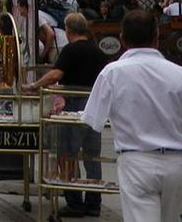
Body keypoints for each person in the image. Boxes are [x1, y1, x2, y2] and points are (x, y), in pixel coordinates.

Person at [81, 9, 182, 222]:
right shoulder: (181, 74)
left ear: (122, 39)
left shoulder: (112, 73)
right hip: (175, 160)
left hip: (136, 160)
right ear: (156, 37)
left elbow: (93, 120)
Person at [23, 12, 108, 218]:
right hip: (93, 106)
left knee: (68, 154)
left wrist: (34, 85)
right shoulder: (97, 51)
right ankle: (94, 202)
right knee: (92, 156)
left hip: (74, 105)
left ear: (68, 30)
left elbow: (56, 74)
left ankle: (75, 202)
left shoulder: (70, 50)